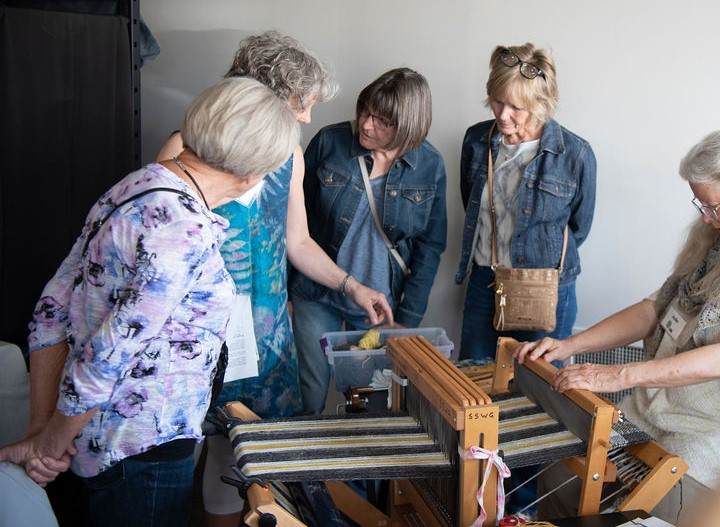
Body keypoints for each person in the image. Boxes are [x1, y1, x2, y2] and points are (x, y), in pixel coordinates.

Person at [0, 76, 299, 527]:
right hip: (143, 449)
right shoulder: (185, 230)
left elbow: (51, 309)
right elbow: (106, 354)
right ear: (252, 174)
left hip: (98, 443)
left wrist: (46, 429)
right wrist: (47, 442)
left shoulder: (138, 185)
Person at [514, 129, 720, 524]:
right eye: (699, 203)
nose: (704, 216)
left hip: (718, 438)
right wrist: (569, 345)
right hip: (656, 416)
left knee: (655, 506)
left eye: (714, 205)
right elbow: (655, 309)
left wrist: (618, 375)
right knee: (562, 472)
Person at [155, 31, 394, 527]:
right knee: (180, 453)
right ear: (260, 94)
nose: (307, 118)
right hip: (198, 332)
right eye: (299, 104)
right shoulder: (186, 147)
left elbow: (299, 243)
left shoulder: (291, 153)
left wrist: (353, 285)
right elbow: (159, 254)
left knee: (246, 454)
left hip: (265, 335)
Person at [290, 67, 448, 415]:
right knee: (309, 391)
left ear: (407, 126)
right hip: (317, 293)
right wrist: (285, 291)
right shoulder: (329, 143)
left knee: (370, 400)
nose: (365, 124)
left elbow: (431, 246)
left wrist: (407, 317)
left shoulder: (430, 165)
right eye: (365, 111)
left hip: (378, 307)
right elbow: (292, 223)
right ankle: (305, 467)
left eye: (381, 121)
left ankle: (362, 472)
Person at [455, 43, 597, 362]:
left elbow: (578, 227)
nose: (503, 115)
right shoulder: (476, 141)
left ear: (540, 103)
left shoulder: (576, 154)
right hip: (485, 281)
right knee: (473, 381)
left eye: (516, 107)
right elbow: (474, 206)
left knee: (542, 389)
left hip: (545, 288)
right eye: (497, 101)